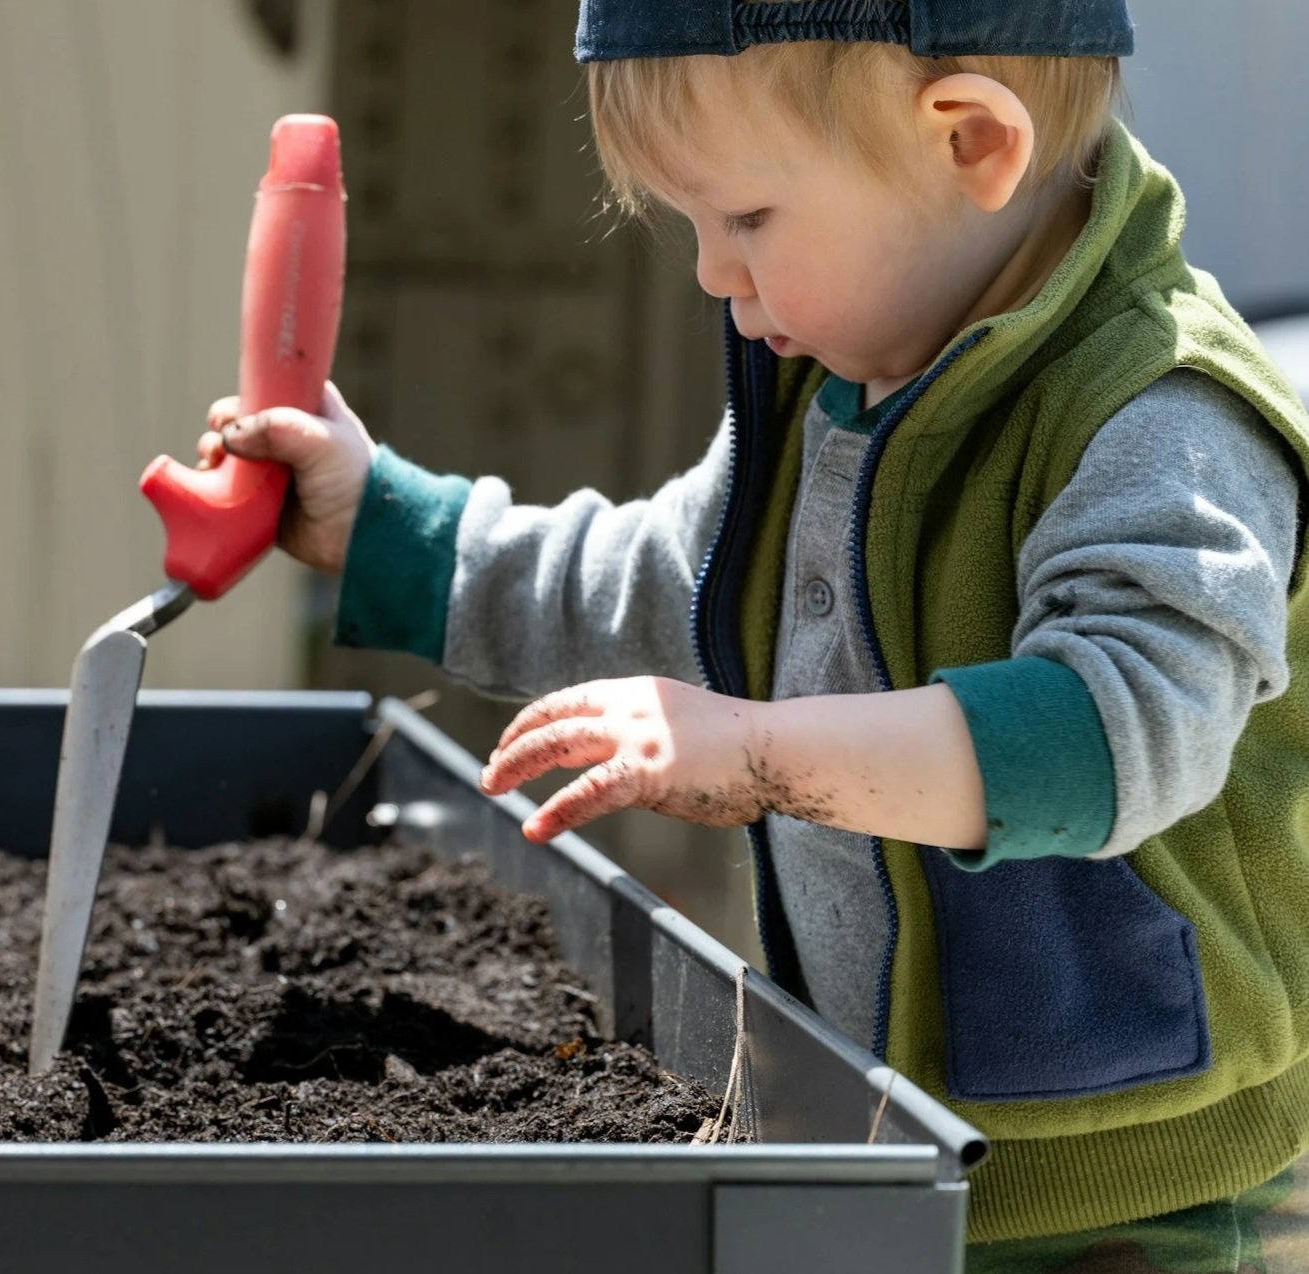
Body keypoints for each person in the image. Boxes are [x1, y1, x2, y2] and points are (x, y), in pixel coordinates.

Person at [198, 1, 1309, 1267]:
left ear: (966, 145)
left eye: (745, 220)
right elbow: (658, 589)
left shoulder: (1160, 418)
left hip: (1128, 1190)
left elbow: (1109, 736)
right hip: (875, 1131)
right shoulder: (843, 389)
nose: (710, 274)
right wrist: (383, 527)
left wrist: (760, 751)